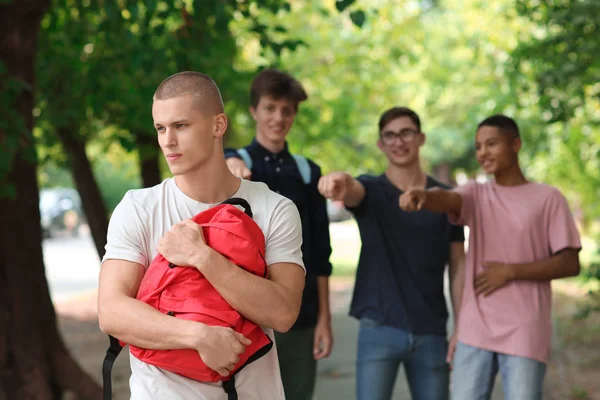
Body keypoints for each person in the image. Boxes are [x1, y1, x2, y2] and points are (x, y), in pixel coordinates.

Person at [98, 71, 306, 400]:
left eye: (181, 126)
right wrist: (199, 336)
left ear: (217, 126)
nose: (168, 140)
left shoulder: (274, 208)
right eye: (160, 128)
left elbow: (283, 313)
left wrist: (202, 257)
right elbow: (111, 312)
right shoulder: (138, 207)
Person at [399, 114, 582, 399]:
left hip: (525, 328)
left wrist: (510, 272)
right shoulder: (477, 193)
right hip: (476, 330)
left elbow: (570, 262)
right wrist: (423, 196)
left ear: (516, 144)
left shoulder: (548, 197)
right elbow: (449, 198)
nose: (483, 152)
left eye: (492, 144)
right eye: (478, 146)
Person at [318, 107, 466, 400]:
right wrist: (338, 179)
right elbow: (351, 188)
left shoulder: (445, 197)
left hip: (431, 331)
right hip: (379, 328)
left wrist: (461, 326)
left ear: (421, 138)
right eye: (390, 136)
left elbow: (458, 265)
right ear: (380, 144)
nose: (398, 141)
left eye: (406, 133)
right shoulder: (371, 190)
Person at [224, 68, 333, 400]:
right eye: (270, 108)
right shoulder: (233, 164)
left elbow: (319, 252)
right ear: (254, 110)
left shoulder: (307, 172)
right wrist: (228, 164)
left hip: (299, 314)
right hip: (244, 316)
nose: (278, 118)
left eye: (287, 110)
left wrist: (324, 320)